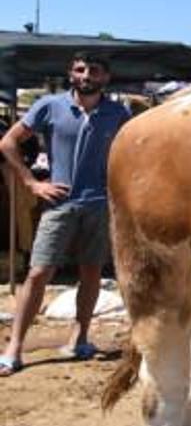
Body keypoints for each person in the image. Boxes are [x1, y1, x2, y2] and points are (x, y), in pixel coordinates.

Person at [0, 52, 131, 377]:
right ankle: (14, 348)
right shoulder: (50, 106)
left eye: (94, 70)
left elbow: (133, 153)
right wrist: (32, 183)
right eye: (80, 69)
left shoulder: (118, 113)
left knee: (91, 271)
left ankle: (80, 338)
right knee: (39, 272)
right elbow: (8, 142)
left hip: (99, 204)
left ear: (105, 77)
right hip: (59, 203)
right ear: (71, 74)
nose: (86, 75)